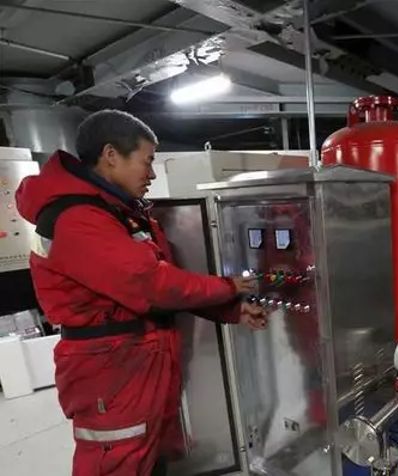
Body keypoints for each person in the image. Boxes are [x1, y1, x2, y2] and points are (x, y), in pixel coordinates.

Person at [15, 110, 268, 475]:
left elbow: (165, 285)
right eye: (147, 161)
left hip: (140, 364)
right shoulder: (78, 218)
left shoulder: (121, 213)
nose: (151, 174)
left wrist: (231, 310)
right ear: (111, 155)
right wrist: (228, 287)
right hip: (111, 374)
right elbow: (151, 286)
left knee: (151, 460)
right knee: (117, 461)